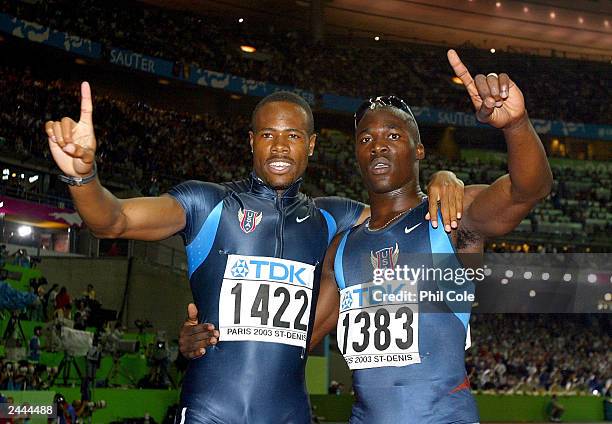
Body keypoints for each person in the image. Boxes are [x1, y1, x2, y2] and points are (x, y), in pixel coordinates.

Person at [44, 85, 463, 423]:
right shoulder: (205, 205)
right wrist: (82, 178)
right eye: (268, 135)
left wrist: (445, 179)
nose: (280, 147)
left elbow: (407, 205)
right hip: (211, 410)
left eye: (293, 136)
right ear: (251, 141)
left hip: (290, 414)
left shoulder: (333, 218)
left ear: (312, 145)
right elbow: (112, 221)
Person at [307, 50, 552, 423]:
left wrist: (516, 125)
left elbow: (527, 190)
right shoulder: (342, 247)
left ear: (418, 149)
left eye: (393, 135)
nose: (378, 146)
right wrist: (206, 340)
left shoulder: (450, 217)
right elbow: (297, 342)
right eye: (366, 139)